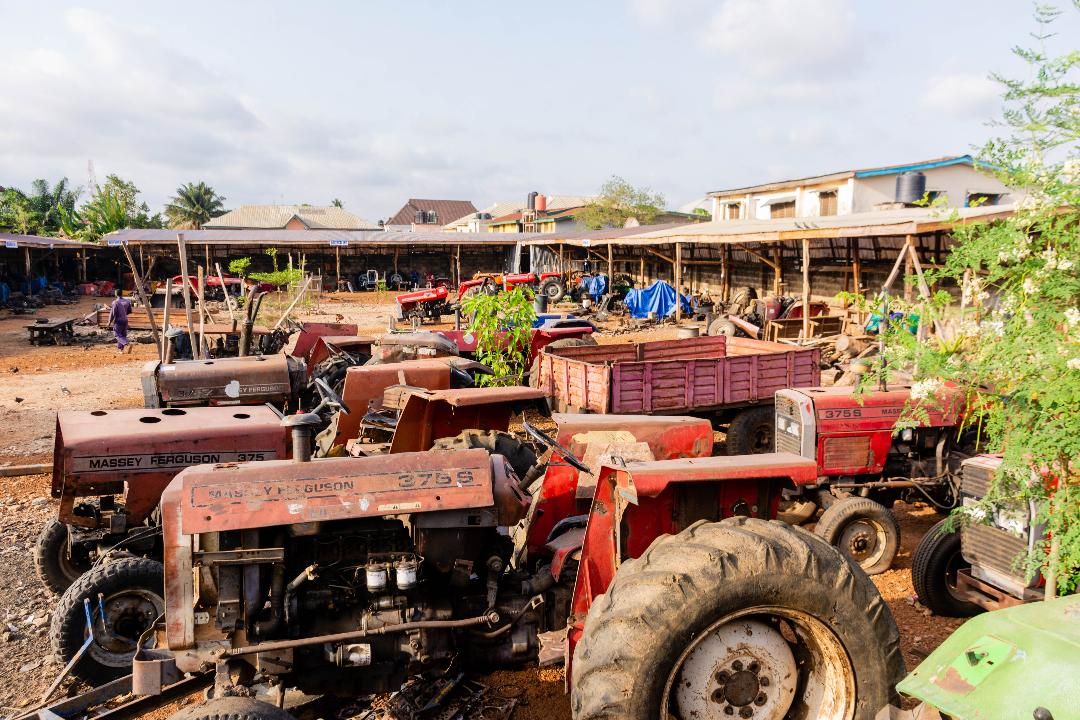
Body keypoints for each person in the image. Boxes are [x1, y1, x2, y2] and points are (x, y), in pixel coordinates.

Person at [108, 289, 134, 353]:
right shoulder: (127, 301)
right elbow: (130, 311)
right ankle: (121, 350)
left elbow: (113, 313)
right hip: (125, 320)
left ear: (116, 294)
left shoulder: (115, 302)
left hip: (118, 321)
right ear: (122, 293)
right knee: (122, 335)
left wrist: (109, 322)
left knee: (116, 334)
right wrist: (123, 314)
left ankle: (126, 344)